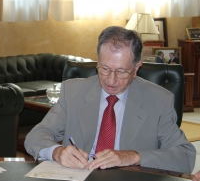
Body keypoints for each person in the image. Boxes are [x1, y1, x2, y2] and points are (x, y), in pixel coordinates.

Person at [24, 26, 195, 173]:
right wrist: (57, 152)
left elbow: (185, 157)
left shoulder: (159, 100)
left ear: (136, 68)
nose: (110, 80)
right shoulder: (73, 92)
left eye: (121, 72)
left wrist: (134, 156)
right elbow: (36, 136)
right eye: (104, 68)